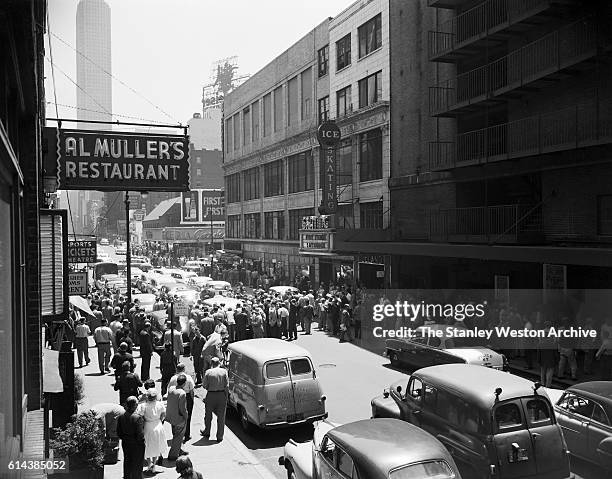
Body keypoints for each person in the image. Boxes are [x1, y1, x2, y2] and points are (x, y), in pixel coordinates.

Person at [137, 388, 168, 474]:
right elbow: (163, 414)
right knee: (156, 445)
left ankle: (149, 463)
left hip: (148, 426)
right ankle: (153, 464)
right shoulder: (160, 404)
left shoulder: (143, 406)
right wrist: (159, 421)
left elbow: (140, 416)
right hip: (158, 425)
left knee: (147, 446)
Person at [200, 357, 228, 442]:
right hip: (221, 395)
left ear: (211, 364)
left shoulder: (208, 372)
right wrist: (226, 396)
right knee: (221, 417)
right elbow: (227, 385)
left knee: (208, 415)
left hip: (211, 395)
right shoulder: (224, 371)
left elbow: (204, 385)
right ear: (219, 363)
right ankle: (219, 436)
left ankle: (207, 431)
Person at [116, 396, 145, 479]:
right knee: (137, 465)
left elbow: (119, 432)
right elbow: (140, 434)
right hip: (136, 445)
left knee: (127, 462)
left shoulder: (121, 416)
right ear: (135, 405)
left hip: (126, 443)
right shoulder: (138, 418)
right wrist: (141, 442)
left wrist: (125, 438)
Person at [168, 364, 196, 441]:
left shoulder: (173, 378)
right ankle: (187, 434)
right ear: (184, 369)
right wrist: (192, 400)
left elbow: (169, 389)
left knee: (177, 415)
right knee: (187, 416)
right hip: (187, 397)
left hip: (176, 396)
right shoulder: (189, 377)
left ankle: (177, 434)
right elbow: (192, 391)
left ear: (177, 369)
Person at [165, 374, 189, 461]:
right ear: (184, 383)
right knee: (178, 437)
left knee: (175, 434)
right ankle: (173, 455)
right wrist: (186, 416)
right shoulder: (182, 393)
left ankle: (180, 450)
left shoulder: (171, 389)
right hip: (179, 418)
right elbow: (183, 408)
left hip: (171, 417)